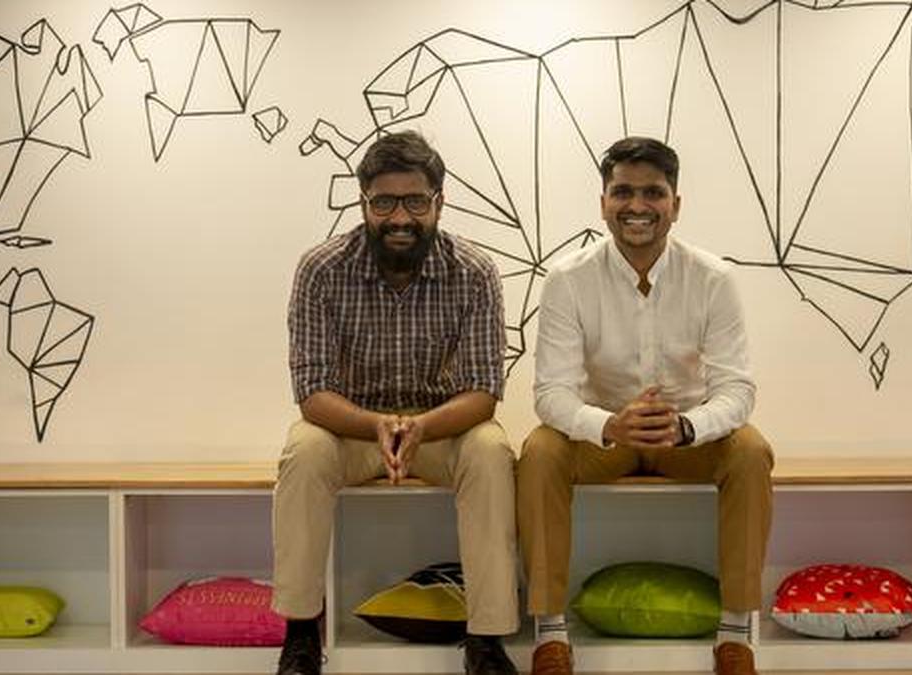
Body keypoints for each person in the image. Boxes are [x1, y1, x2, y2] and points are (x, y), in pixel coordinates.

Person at [518, 136, 774, 675]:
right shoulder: (567, 279)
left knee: (751, 451)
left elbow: (737, 390)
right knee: (540, 451)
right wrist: (610, 424)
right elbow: (551, 393)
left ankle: (735, 636)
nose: (637, 206)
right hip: (604, 438)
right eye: (623, 192)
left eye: (653, 193)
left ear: (675, 205)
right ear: (603, 203)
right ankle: (551, 634)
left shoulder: (714, 278)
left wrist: (686, 426)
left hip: (686, 438)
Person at [272, 130, 519, 675]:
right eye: (384, 202)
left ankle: (485, 639)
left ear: (439, 202)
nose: (400, 217)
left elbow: (483, 393)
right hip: (351, 432)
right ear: (363, 202)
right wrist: (379, 424)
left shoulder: (475, 272)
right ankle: (300, 633)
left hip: (441, 432)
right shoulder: (321, 269)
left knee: (490, 451)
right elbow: (312, 392)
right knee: (304, 452)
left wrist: (421, 427)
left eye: (415, 201)